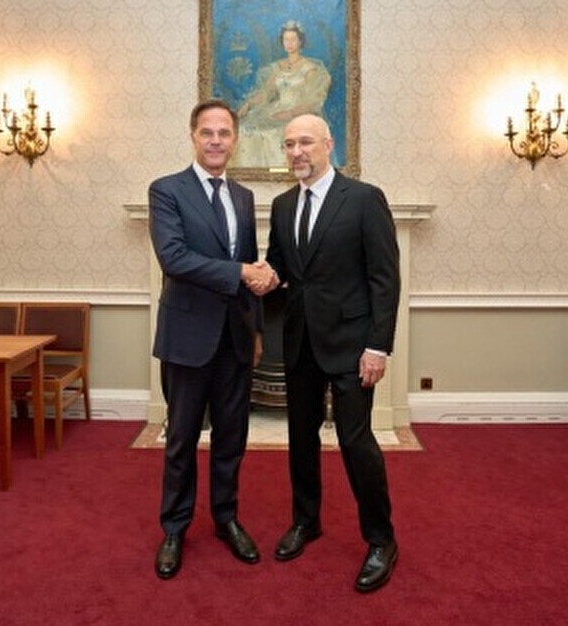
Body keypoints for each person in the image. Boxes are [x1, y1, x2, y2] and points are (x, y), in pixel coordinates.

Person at [261, 114, 400, 592]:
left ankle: (381, 540)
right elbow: (282, 267)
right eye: (288, 144)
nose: (296, 151)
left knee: (356, 442)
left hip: (352, 346)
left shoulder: (364, 199)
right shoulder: (282, 205)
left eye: (305, 142)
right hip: (299, 342)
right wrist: (260, 275)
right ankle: (306, 521)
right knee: (300, 438)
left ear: (328, 144)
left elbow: (384, 280)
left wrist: (377, 347)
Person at [148, 99, 277, 580]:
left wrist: (257, 328)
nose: (216, 141)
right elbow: (174, 258)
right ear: (193, 136)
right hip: (187, 338)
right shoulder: (167, 190)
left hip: (236, 340)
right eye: (208, 132)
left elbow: (250, 263)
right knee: (182, 439)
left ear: (235, 140)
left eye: (224, 133)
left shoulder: (242, 196)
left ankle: (226, 519)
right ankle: (174, 529)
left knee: (231, 437)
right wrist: (241, 271)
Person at [233, 21, 332, 169]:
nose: (289, 43)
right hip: (276, 109)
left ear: (300, 42)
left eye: (293, 40)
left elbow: (314, 102)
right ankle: (255, 173)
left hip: (299, 113)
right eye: (286, 39)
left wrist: (290, 113)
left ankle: (280, 171)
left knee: (274, 133)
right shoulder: (278, 67)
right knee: (245, 128)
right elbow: (266, 94)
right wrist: (248, 104)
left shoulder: (310, 69)